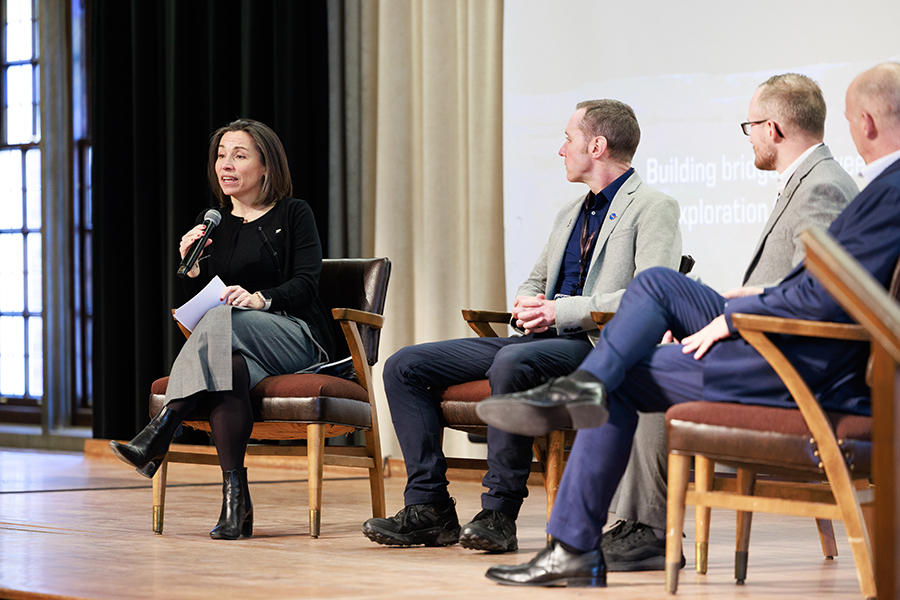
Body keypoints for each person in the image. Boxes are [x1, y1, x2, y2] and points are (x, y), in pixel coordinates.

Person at [476, 62, 900, 587]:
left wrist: (738, 315)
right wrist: (748, 297)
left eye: (750, 128)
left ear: (866, 122)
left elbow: (832, 300)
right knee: (658, 285)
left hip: (794, 362)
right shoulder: (845, 183)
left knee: (623, 373)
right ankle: (584, 390)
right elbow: (821, 284)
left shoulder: (854, 187)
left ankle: (573, 542)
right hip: (777, 335)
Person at [362, 100, 683, 552]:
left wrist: (560, 311)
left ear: (597, 144)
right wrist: (528, 302)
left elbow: (648, 294)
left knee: (514, 359)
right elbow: (536, 279)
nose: (561, 150)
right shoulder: (570, 213)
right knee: (403, 365)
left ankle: (499, 513)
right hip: (537, 341)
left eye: (568, 138)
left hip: (597, 345)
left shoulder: (653, 207)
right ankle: (429, 508)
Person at [604, 73, 858, 572]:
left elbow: (823, 295)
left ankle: (648, 530)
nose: (749, 139)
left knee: (649, 364)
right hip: (763, 337)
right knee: (662, 303)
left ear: (774, 129)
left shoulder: (822, 187)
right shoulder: (810, 180)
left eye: (750, 127)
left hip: (783, 358)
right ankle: (643, 526)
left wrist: (733, 317)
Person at [110, 119, 336, 540]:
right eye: (220, 155)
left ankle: (161, 429)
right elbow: (207, 298)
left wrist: (259, 299)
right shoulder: (212, 221)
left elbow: (307, 283)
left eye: (239, 155)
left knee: (220, 325)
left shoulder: (294, 212)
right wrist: (193, 269)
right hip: (234, 339)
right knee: (227, 368)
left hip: (294, 334)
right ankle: (237, 505)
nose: (225, 165)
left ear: (266, 166)